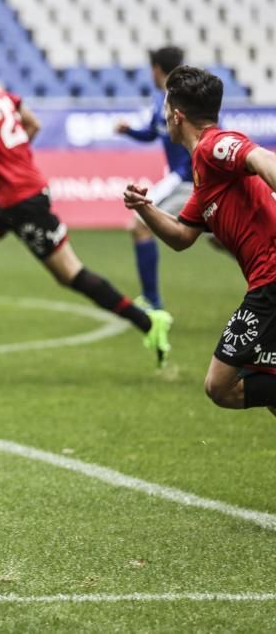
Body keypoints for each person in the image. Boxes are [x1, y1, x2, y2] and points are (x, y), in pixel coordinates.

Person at [0, 44, 172, 368]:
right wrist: (5, 164)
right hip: (5, 194)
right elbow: (32, 124)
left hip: (24, 199)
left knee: (70, 273)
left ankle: (147, 322)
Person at [124, 65, 276, 414]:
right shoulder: (205, 175)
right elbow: (181, 236)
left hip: (271, 282)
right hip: (266, 281)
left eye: (165, 108)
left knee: (221, 386)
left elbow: (262, 157)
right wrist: (145, 208)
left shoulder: (214, 146)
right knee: (264, 381)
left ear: (176, 116)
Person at [114, 46, 193, 310]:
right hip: (185, 178)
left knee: (138, 225)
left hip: (185, 179)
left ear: (156, 69)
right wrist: (130, 132)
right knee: (222, 239)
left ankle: (152, 301)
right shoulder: (164, 99)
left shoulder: (182, 98)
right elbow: (153, 133)